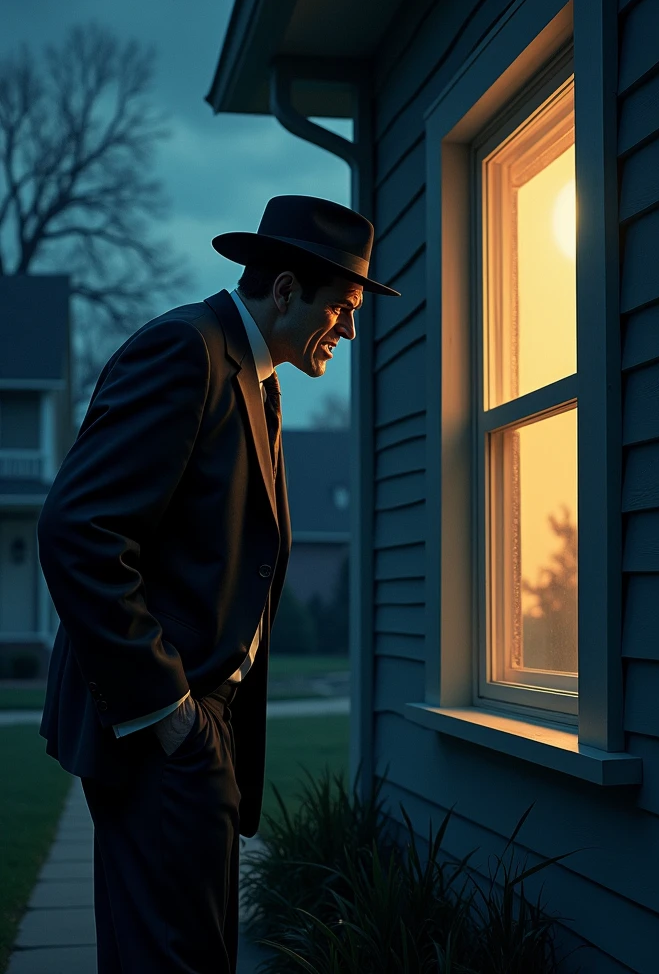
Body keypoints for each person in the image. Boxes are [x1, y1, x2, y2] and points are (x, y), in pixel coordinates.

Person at [37, 194, 400, 974]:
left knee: (185, 955)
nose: (350, 328)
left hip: (205, 734)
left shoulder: (260, 383)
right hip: (162, 731)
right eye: (340, 307)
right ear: (283, 291)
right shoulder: (187, 353)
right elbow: (79, 532)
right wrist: (169, 713)